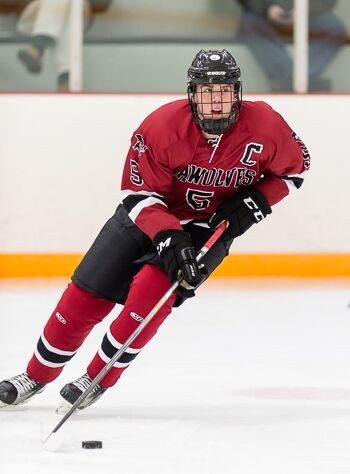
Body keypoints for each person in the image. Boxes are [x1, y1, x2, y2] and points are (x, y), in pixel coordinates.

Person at [0, 49, 310, 412]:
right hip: (147, 216)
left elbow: (296, 169)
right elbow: (137, 193)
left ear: (237, 93)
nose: (216, 102)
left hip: (208, 227)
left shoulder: (267, 126)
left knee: (152, 294)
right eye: (207, 93)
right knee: (85, 296)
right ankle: (36, 375)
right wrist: (167, 235)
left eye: (224, 91)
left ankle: (97, 377)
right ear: (192, 94)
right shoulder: (161, 127)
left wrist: (257, 201)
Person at [235, 0, 347, 91]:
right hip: (263, 15)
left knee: (335, 29)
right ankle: (298, 80)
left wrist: (304, 10)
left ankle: (288, 80)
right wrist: (267, 8)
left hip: (310, 15)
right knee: (249, 24)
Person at [15, 0, 112, 91]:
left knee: (73, 6)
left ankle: (37, 47)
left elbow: (103, 4)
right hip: (34, 18)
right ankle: (66, 81)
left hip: (76, 12)